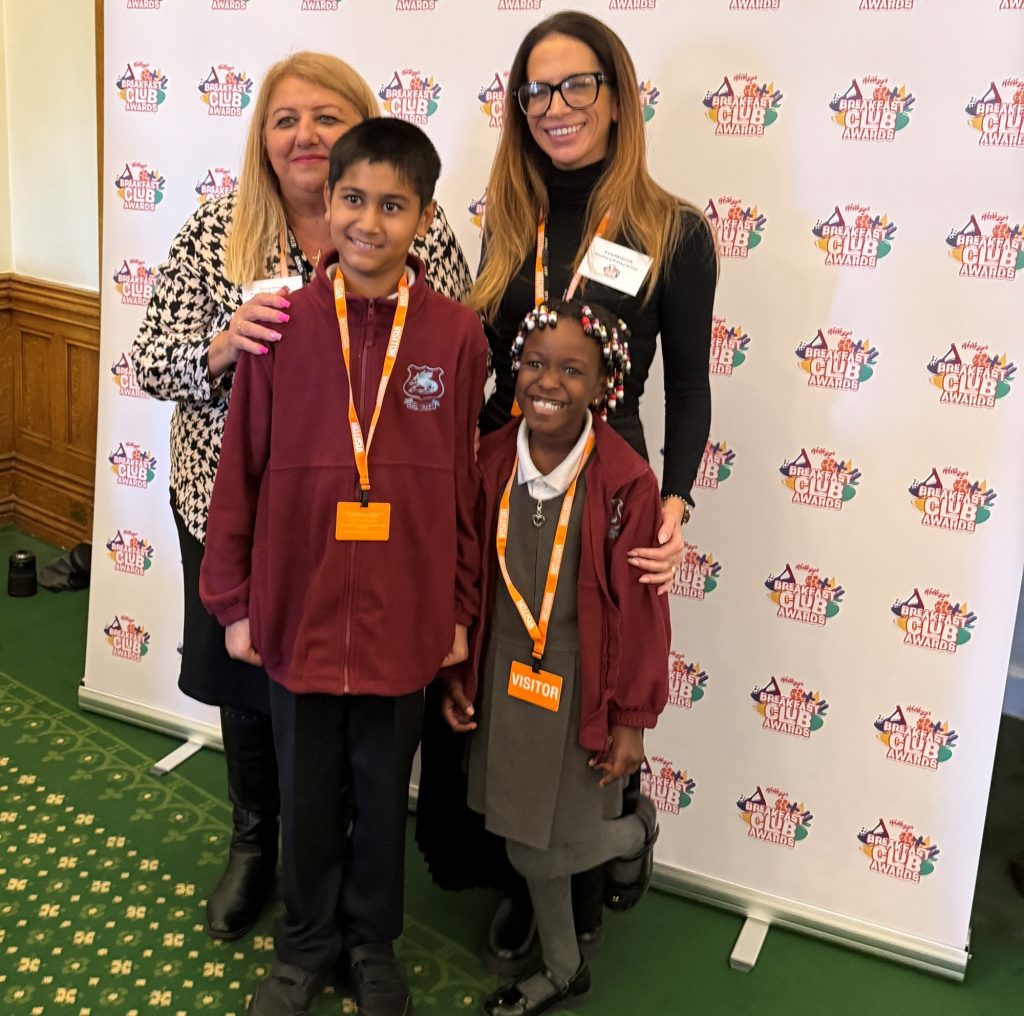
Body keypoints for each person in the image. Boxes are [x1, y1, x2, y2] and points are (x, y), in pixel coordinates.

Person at [130, 52, 472, 946]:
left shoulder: (417, 230)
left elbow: (452, 356)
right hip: (239, 505)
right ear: (262, 137)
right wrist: (221, 347)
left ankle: (351, 879)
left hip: (381, 529)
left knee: (351, 714)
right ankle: (257, 844)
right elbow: (148, 362)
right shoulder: (221, 229)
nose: (306, 135)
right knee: (250, 691)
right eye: (286, 118)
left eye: (326, 116)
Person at [415, 10, 716, 971]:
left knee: (587, 684)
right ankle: (520, 877)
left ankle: (590, 869)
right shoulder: (505, 220)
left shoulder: (674, 229)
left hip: (609, 491)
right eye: (536, 91)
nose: (555, 108)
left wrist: (677, 502)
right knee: (507, 685)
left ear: (618, 97)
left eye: (576, 85)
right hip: (508, 481)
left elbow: (693, 384)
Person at [199, 117, 488, 1016]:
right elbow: (238, 471)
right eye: (353, 200)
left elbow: (466, 494)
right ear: (328, 207)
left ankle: (370, 945)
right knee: (307, 791)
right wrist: (235, 602)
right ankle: (302, 946)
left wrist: (459, 610)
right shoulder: (281, 326)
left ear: (424, 216)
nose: (369, 222)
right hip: (299, 614)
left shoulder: (455, 337)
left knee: (378, 791)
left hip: (405, 618)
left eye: (393, 205)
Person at [442, 300, 669, 1016]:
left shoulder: (625, 483)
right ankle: (566, 967)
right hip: (506, 674)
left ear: (606, 384)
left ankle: (634, 831)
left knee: (548, 845)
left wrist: (631, 718)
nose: (549, 382)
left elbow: (641, 611)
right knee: (517, 834)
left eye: (573, 369)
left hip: (580, 687)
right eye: (536, 364)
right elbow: (469, 574)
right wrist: (457, 672)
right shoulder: (487, 459)